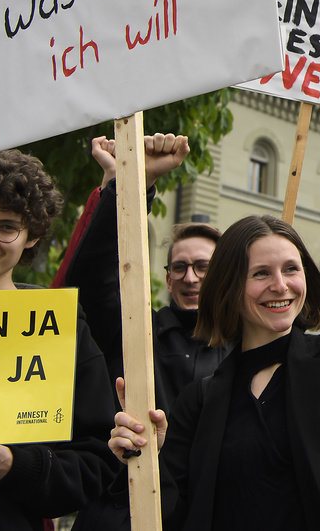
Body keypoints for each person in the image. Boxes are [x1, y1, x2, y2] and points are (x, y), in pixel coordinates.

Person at [108, 104, 320, 531]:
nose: (280, 286)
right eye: (260, 273)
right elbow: (169, 508)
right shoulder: (199, 403)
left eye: (291, 269)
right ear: (229, 285)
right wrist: (139, 458)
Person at [0, 150, 120, 531]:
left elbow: (95, 461)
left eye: (6, 227)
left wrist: (15, 468)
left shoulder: (58, 329)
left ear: (32, 236)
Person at [58, 133, 229, 413]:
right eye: (179, 268)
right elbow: (91, 277)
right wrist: (134, 183)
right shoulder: (134, 332)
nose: (190, 278)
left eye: (203, 267)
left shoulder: (246, 343)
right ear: (167, 279)